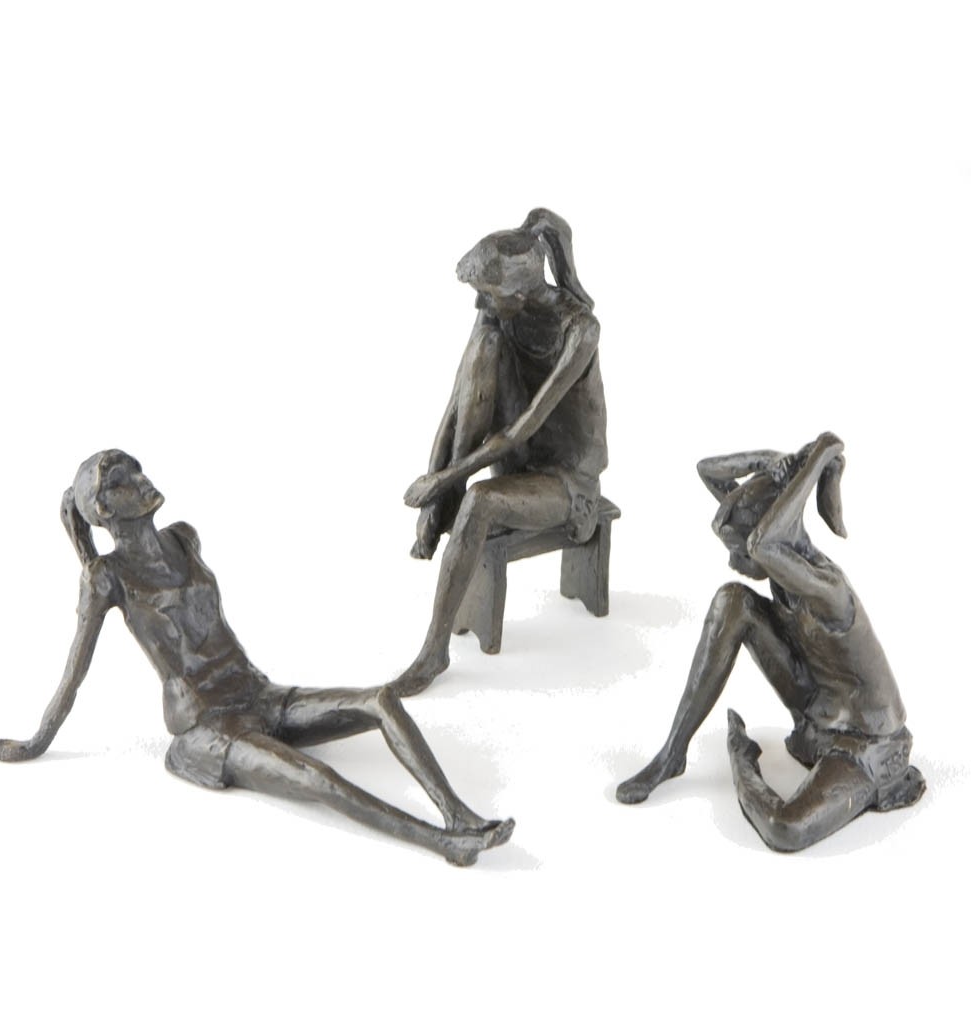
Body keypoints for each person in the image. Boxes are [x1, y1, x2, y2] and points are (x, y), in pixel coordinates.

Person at [0, 451, 513, 866]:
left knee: (380, 701)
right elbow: (73, 676)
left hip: (259, 693)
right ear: (103, 510)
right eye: (123, 480)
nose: (142, 480)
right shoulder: (106, 577)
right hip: (207, 728)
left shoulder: (184, 538)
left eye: (138, 469)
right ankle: (444, 843)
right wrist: (36, 742)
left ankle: (457, 812)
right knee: (317, 778)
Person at [616, 432, 924, 852]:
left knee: (785, 829)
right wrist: (774, 463)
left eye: (737, 550)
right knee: (732, 601)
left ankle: (742, 759)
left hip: (865, 740)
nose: (735, 560)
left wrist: (820, 455)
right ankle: (673, 752)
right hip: (814, 706)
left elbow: (761, 546)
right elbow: (707, 471)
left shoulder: (827, 589)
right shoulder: (774, 558)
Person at [395, 208, 607, 694]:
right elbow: (459, 403)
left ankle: (434, 652)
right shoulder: (500, 313)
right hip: (519, 458)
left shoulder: (580, 330)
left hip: (566, 480)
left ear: (518, 293)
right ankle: (445, 511)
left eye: (486, 295)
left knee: (480, 502)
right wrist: (433, 493)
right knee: (484, 347)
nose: (479, 303)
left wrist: (443, 482)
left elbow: (519, 428)